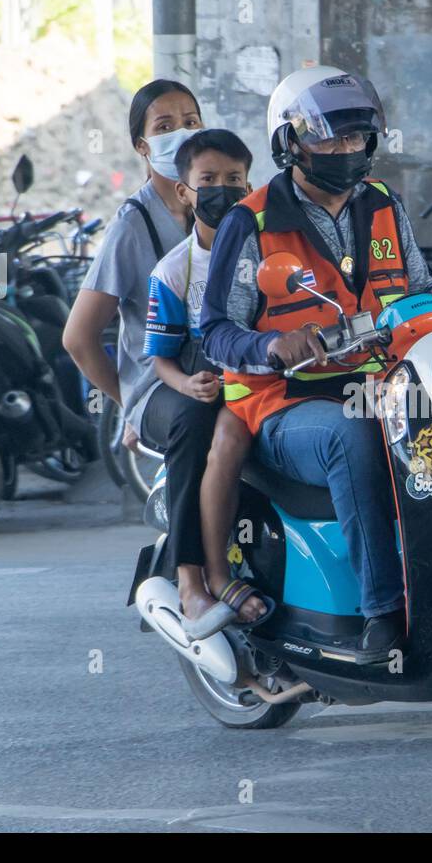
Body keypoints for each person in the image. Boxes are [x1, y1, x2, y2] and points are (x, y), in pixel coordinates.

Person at [200, 67, 432, 655]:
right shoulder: (249, 223)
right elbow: (216, 331)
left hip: (384, 381)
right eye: (328, 138)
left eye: (355, 137)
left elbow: (417, 293)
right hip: (283, 401)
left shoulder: (382, 205)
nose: (345, 150)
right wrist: (272, 347)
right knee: (352, 435)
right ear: (289, 144)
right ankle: (384, 612)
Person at [63, 79, 201, 580]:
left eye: (190, 121)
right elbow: (79, 338)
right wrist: (131, 401)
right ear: (143, 147)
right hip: (162, 388)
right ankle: (189, 574)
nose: (182, 134)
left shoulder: (222, 207)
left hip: (220, 371)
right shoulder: (134, 226)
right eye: (165, 127)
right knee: (197, 419)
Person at [139, 129, 268, 632]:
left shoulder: (269, 248)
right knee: (200, 425)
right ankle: (197, 578)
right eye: (208, 180)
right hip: (201, 379)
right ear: (183, 190)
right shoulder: (173, 272)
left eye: (234, 180)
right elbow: (160, 359)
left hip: (260, 376)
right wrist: (187, 384)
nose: (223, 190)